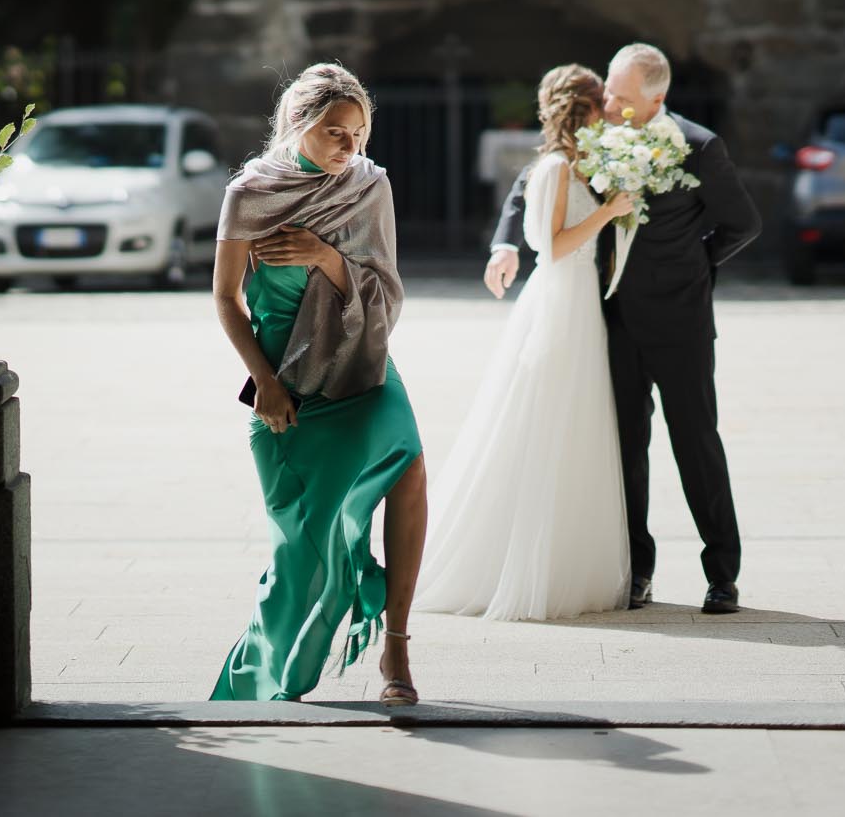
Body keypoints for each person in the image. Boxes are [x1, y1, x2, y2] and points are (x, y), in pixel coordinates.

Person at [484, 43, 761, 613]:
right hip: (611, 319)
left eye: (620, 95)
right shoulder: (600, 132)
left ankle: (722, 574)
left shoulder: (698, 146)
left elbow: (743, 223)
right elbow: (536, 179)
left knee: (696, 443)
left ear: (656, 98)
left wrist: (698, 266)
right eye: (607, 89)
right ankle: (638, 571)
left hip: (681, 324)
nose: (606, 101)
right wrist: (506, 242)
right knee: (626, 449)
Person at [209, 63, 429, 703]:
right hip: (288, 380)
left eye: (358, 133)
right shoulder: (250, 192)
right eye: (335, 132)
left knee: (408, 465)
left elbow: (386, 289)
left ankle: (397, 648)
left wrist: (327, 258)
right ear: (299, 124)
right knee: (304, 552)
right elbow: (226, 299)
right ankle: (270, 669)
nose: (349, 147)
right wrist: (266, 384)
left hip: (362, 359)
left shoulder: (370, 185)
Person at [415, 64, 635, 620]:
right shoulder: (556, 168)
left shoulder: (584, 165)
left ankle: (567, 563)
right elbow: (552, 245)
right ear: (580, 110)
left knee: (576, 424)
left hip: (582, 301)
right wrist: (609, 213)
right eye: (597, 106)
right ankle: (522, 567)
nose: (605, 115)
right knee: (543, 420)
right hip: (559, 299)